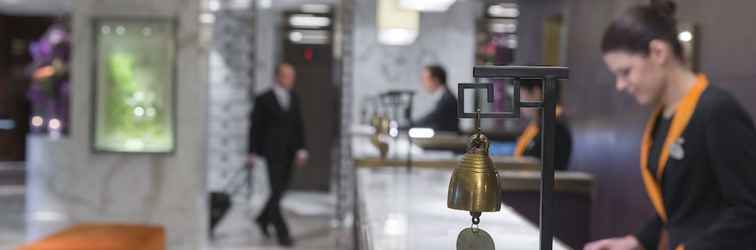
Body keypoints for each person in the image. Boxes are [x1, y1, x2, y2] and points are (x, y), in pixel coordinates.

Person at [585, 1, 756, 250]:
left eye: (626, 72)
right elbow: (683, 208)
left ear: (658, 53)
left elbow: (748, 210)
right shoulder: (664, 117)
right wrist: (638, 241)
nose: (620, 85)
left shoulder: (717, 111)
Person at [248, 63, 308, 247]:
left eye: (292, 76)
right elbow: (255, 128)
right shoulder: (263, 99)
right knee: (275, 191)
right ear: (278, 77)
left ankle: (262, 218)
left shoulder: (294, 98)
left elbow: (299, 125)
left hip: (290, 152)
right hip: (271, 152)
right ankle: (283, 233)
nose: (291, 80)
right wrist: (251, 152)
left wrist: (302, 149)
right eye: (287, 76)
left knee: (280, 190)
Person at [513, 79, 572, 170]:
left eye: (521, 95)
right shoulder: (539, 125)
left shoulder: (555, 129)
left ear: (536, 93)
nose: (517, 102)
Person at [413, 64, 460, 133]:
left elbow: (433, 117)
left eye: (425, 79)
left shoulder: (447, 99)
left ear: (435, 80)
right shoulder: (444, 95)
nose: (423, 83)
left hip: (447, 140)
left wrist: (410, 124)